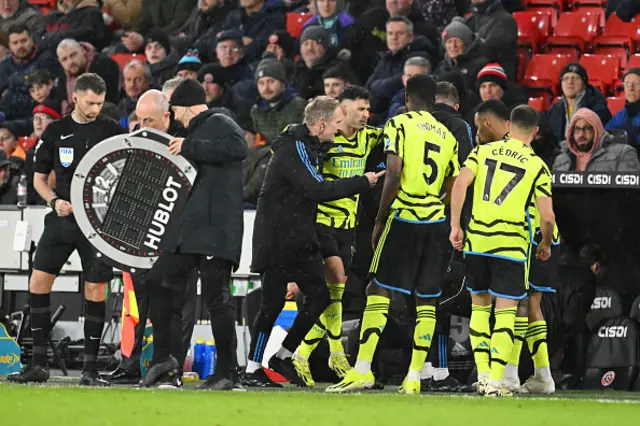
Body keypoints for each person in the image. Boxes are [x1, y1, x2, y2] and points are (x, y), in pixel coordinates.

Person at [327, 74, 459, 394]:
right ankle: (415, 375)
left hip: (403, 217)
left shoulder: (399, 124)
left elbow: (395, 173)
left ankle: (362, 369)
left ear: (407, 97)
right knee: (426, 299)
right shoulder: (447, 135)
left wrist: (379, 218)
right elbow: (452, 184)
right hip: (434, 221)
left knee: (379, 289)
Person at [243, 96, 384, 387]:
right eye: (334, 124)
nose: (336, 131)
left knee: (320, 296)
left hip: (301, 238)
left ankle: (283, 355)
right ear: (320, 124)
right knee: (271, 305)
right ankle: (252, 368)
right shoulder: (293, 150)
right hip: (277, 238)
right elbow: (315, 190)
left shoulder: (309, 145)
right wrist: (362, 181)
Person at [8, 73, 125, 386]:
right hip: (62, 219)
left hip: (98, 225)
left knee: (95, 289)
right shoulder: (57, 131)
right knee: (38, 282)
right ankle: (38, 364)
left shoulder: (112, 130)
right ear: (76, 96)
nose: (95, 108)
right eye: (90, 102)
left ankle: (89, 370)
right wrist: (54, 201)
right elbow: (38, 179)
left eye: (100, 103)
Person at [140, 79, 248, 391]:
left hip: (217, 228)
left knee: (217, 298)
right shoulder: (193, 132)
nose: (172, 113)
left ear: (185, 105)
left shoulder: (218, 121)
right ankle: (164, 359)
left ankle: (227, 372)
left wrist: (190, 147)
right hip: (192, 231)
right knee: (157, 280)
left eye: (173, 107)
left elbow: (239, 147)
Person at [449, 102, 556, 397]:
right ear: (535, 132)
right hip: (510, 245)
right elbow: (547, 217)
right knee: (506, 312)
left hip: (478, 241)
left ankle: (484, 376)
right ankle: (498, 380)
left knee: (479, 309)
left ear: (508, 125)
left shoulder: (482, 151)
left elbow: (460, 184)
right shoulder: (537, 165)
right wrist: (545, 243)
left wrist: (455, 225)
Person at [102, 90, 195, 387]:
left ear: (167, 117)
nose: (143, 126)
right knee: (139, 304)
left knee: (176, 306)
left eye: (149, 120)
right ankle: (132, 363)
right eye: (139, 120)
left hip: (178, 240)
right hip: (140, 242)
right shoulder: (136, 143)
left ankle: (172, 367)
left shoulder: (186, 143)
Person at [292, 86, 383, 386]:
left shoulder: (370, 138)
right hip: (322, 222)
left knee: (337, 291)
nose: (367, 115)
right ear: (342, 111)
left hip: (348, 226)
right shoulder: (324, 140)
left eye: (368, 110)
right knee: (337, 284)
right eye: (361, 109)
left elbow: (395, 138)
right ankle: (332, 351)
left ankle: (305, 353)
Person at [552, 108, 640, 172]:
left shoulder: (623, 154)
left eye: (587, 129)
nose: (581, 134)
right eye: (577, 129)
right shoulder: (562, 159)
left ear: (597, 130)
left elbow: (629, 193)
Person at [606, 68, 640, 149]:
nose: (631, 88)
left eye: (636, 84)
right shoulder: (619, 115)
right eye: (627, 84)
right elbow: (605, 137)